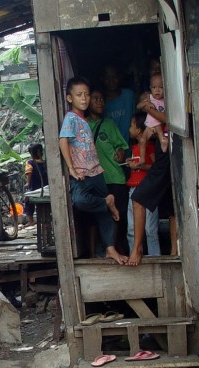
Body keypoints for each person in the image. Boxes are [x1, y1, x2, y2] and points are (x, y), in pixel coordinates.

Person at [59, 77, 127, 265]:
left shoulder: (85, 120)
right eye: (79, 95)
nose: (84, 98)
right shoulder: (71, 118)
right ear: (69, 98)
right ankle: (107, 201)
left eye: (87, 94)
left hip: (96, 171)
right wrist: (71, 168)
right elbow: (63, 140)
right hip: (81, 173)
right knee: (80, 201)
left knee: (104, 216)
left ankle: (110, 249)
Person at [87, 88, 129, 255]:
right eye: (96, 98)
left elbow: (121, 146)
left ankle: (117, 250)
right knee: (95, 218)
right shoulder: (83, 125)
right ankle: (94, 254)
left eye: (102, 99)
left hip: (115, 178)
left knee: (118, 217)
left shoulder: (110, 124)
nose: (100, 102)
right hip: (96, 179)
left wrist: (120, 152)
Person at [130, 130, 171, 266]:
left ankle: (137, 249)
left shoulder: (157, 116)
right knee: (172, 209)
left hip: (166, 155)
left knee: (138, 200)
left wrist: (145, 107)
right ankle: (174, 251)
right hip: (169, 151)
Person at [126, 110, 160, 263]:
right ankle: (135, 252)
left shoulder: (151, 146)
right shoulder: (134, 148)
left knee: (150, 229)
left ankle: (155, 258)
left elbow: (154, 167)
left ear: (139, 129)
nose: (129, 129)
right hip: (133, 190)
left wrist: (140, 166)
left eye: (131, 126)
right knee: (132, 228)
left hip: (148, 191)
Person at [136, 73, 166, 173]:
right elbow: (138, 107)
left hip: (158, 125)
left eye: (160, 87)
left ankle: (163, 143)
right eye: (154, 87)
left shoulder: (166, 100)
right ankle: (142, 158)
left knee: (159, 131)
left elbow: (165, 118)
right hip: (149, 126)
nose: (157, 90)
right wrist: (145, 103)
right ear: (150, 88)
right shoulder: (149, 98)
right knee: (143, 139)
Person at [101, 65, 135, 142]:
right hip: (110, 150)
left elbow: (135, 120)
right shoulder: (100, 102)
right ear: (102, 79)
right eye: (107, 78)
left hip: (130, 147)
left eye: (114, 77)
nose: (111, 81)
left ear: (119, 77)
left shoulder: (128, 95)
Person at [23, 143, 47, 227]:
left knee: (27, 201)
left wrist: (27, 183)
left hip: (34, 188)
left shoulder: (30, 162)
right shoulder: (45, 163)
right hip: (45, 188)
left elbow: (29, 173)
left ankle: (31, 221)